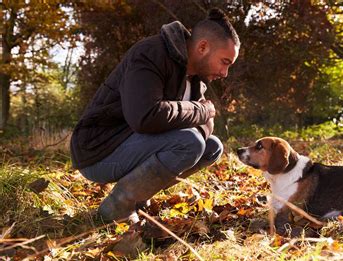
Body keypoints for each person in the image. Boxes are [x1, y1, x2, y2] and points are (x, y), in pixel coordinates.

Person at [70, 8, 240, 222]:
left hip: (130, 147)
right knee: (191, 142)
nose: (225, 73)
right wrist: (202, 110)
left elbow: (207, 126)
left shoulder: (196, 78)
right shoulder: (151, 54)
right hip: (98, 151)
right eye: (225, 62)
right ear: (203, 47)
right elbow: (145, 116)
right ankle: (118, 207)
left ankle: (139, 197)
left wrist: (197, 115)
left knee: (212, 147)